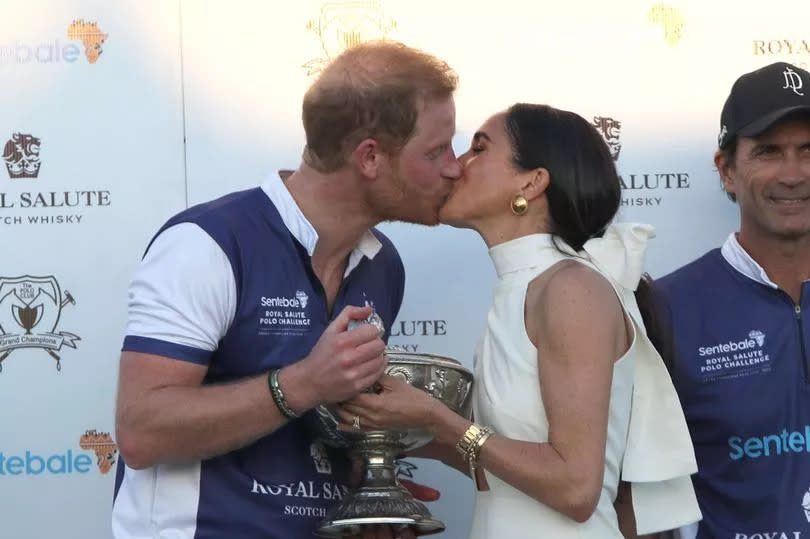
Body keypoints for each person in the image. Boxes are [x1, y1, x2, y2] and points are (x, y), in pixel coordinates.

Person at [112, 40, 462, 538]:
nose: (454, 167)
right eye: (436, 150)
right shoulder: (208, 243)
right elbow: (141, 432)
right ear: (370, 157)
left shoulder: (383, 264)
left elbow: (329, 429)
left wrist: (372, 496)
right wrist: (301, 384)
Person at [337, 103, 702, 537]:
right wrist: (397, 435)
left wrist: (439, 420)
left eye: (478, 149)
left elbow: (575, 489)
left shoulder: (570, 288)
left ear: (532, 181)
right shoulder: (523, 289)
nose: (454, 167)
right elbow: (509, 479)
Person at [655, 62, 810, 538]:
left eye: (809, 151)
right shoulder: (664, 308)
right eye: (768, 151)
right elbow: (635, 495)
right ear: (726, 170)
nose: (794, 174)